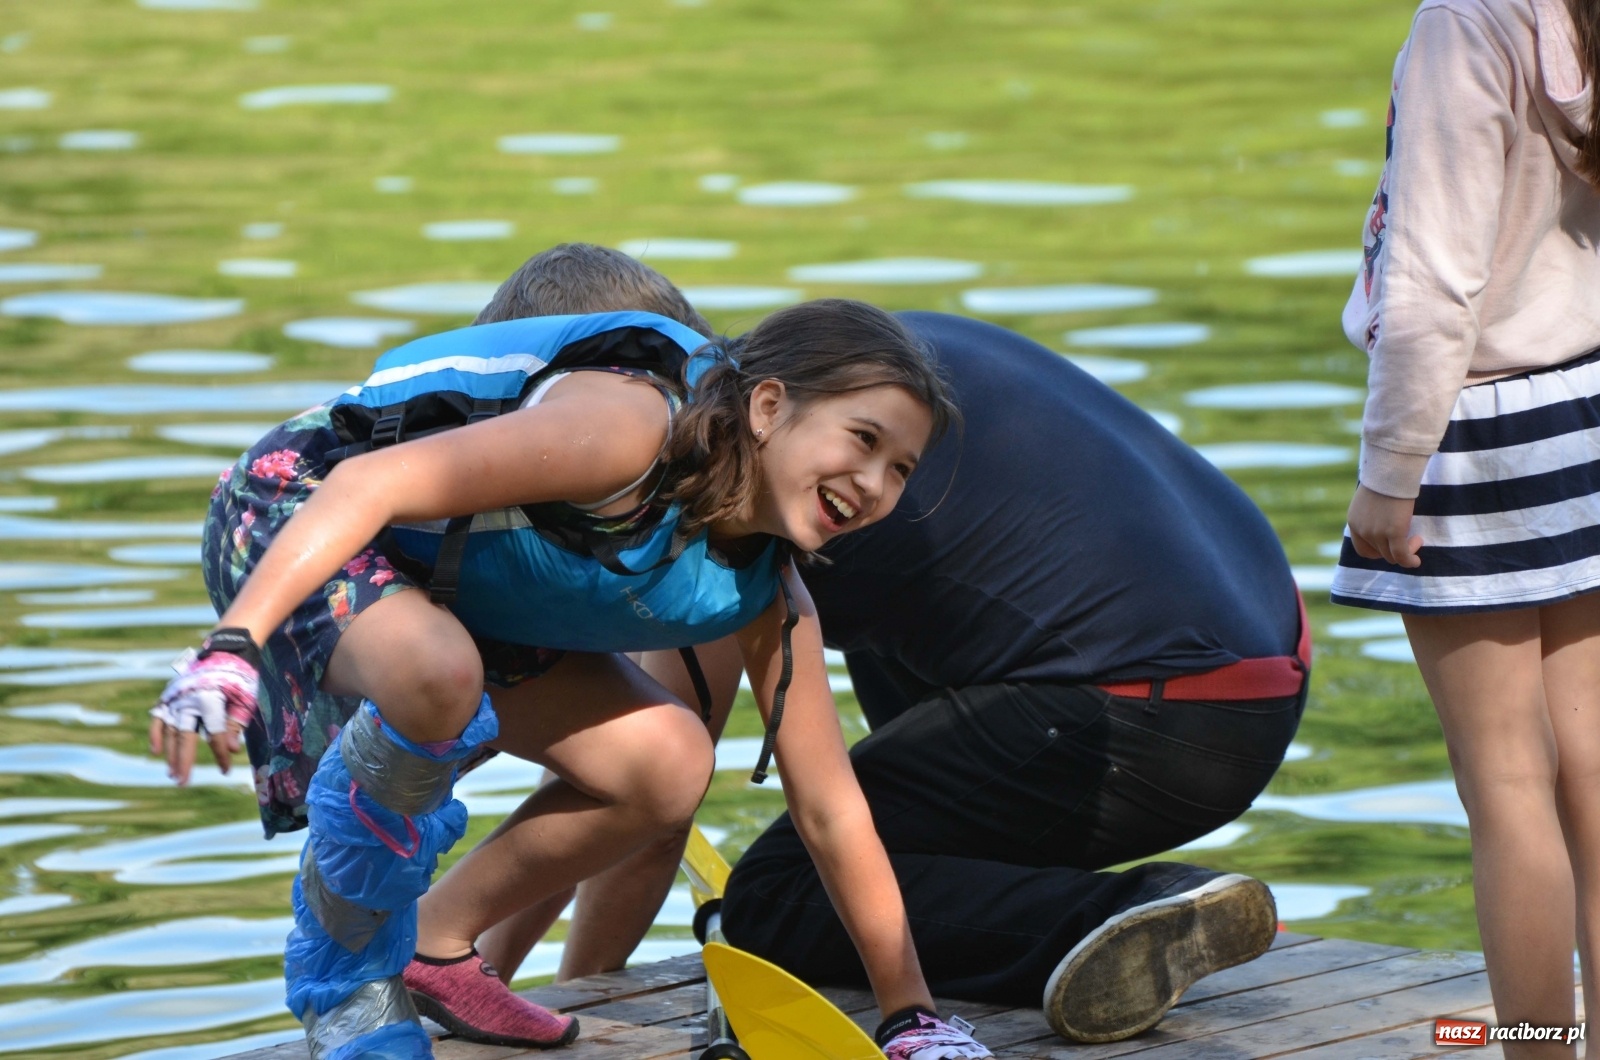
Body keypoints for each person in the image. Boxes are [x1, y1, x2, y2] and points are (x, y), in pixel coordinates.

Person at [150, 244, 993, 1060]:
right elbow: (369, 486)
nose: (877, 482)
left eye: (902, 469)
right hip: (299, 510)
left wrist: (910, 1020)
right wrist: (231, 646)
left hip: (456, 589)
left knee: (669, 764)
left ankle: (435, 944)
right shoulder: (628, 427)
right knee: (441, 673)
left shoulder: (766, 588)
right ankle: (348, 977)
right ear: (768, 408)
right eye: (864, 439)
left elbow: (831, 810)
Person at [472, 310, 1309, 1044]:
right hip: (1260, 674)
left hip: (1146, 714)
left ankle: (1111, 914)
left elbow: (650, 813)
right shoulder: (873, 380)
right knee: (857, 795)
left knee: (778, 897)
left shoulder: (759, 499)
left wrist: (563, 997)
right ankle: (1068, 915)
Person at [1332, 0, 1600, 1053]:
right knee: (1589, 769)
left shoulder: (1465, 18)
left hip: (1474, 421)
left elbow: (1435, 276)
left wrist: (1386, 475)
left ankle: (1533, 1048)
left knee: (1504, 783)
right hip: (1582, 404)